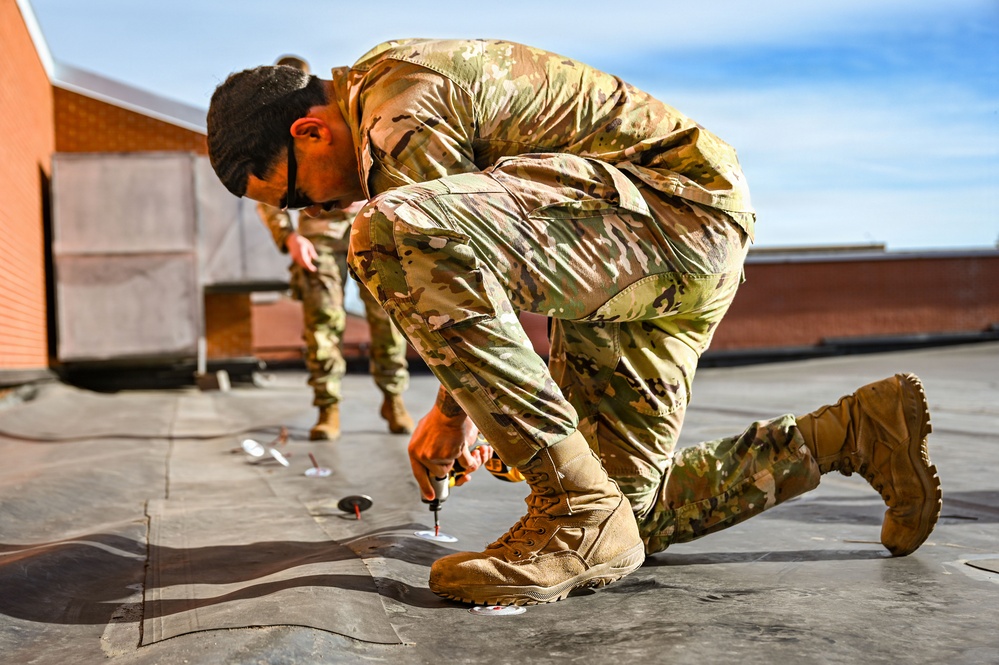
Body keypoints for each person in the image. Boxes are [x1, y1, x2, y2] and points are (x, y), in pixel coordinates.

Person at [207, 39, 943, 606]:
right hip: (635, 248)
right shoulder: (385, 100)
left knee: (386, 231)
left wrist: (450, 415)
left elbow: (433, 248)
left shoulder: (397, 109)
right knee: (628, 519)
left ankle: (572, 508)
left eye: (300, 199)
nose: (319, 215)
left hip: (667, 217)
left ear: (311, 131)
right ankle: (854, 431)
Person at [256, 55, 414, 441]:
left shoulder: (339, 111)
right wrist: (288, 237)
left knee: (387, 320)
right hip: (318, 237)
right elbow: (269, 192)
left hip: (369, 225)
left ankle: (393, 399)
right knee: (323, 323)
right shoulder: (278, 134)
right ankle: (328, 408)